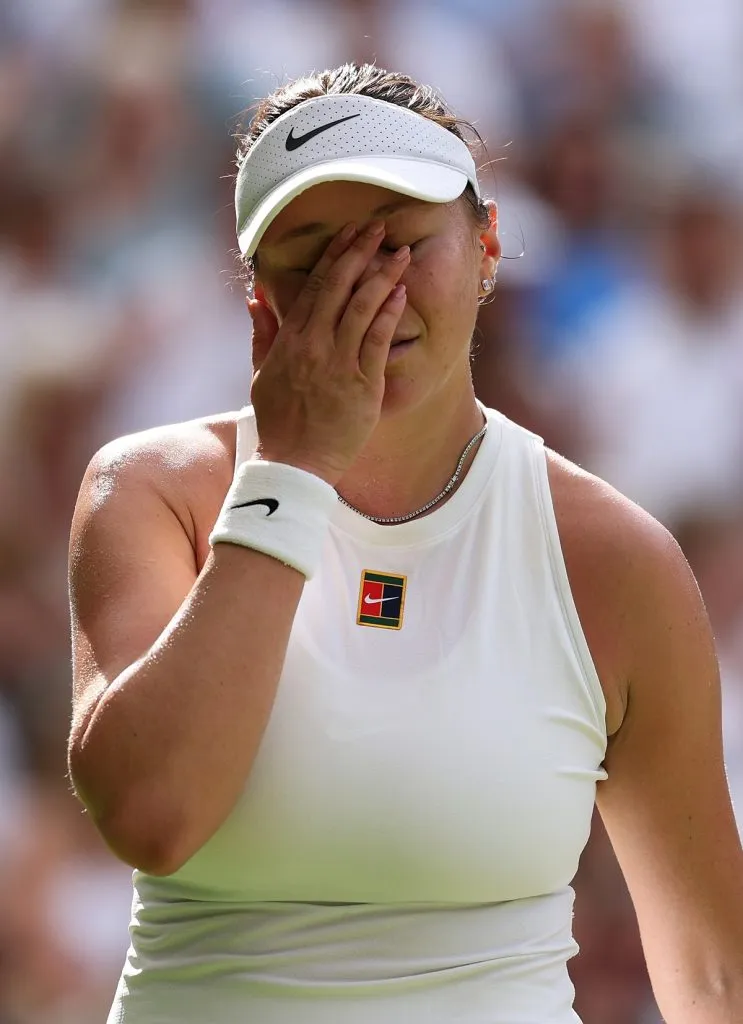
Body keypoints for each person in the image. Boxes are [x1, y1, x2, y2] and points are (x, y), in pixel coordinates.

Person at [67, 63, 743, 1024]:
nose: (367, 288)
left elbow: (713, 978)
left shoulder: (615, 558)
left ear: (487, 248)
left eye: (401, 241)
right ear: (260, 304)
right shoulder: (149, 492)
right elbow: (152, 815)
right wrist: (292, 473)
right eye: (315, 258)